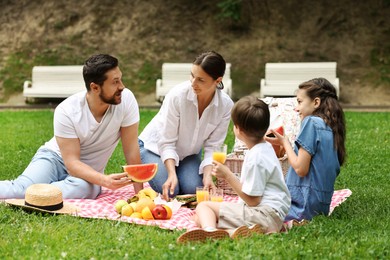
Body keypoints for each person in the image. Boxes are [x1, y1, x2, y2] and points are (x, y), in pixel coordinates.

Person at [0, 54, 143, 199]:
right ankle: (34, 193)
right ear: (95, 87)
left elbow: (131, 149)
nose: (122, 86)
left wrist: (141, 194)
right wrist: (105, 180)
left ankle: (37, 193)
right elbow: (72, 163)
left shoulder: (126, 100)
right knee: (19, 189)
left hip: (89, 174)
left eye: (121, 79)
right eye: (115, 82)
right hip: (54, 158)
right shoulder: (67, 111)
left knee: (84, 189)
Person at [177, 96, 291, 243]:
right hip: (275, 216)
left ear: (238, 130)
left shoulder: (256, 157)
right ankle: (236, 232)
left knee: (204, 207)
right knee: (205, 217)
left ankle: (210, 233)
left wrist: (228, 175)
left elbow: (253, 200)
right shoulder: (266, 148)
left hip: (262, 214)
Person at [139, 51, 234, 201]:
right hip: (155, 148)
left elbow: (213, 146)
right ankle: (167, 169)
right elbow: (167, 141)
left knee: (194, 189)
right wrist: (171, 174)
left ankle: (180, 172)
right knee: (172, 191)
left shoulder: (225, 105)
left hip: (188, 154)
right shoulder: (177, 96)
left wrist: (208, 176)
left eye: (201, 80)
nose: (193, 83)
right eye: (192, 75)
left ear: (217, 80)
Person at [266, 77, 346, 222]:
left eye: (300, 102)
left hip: (301, 206)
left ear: (316, 102)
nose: (296, 108)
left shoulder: (311, 122)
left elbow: (300, 169)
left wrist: (285, 142)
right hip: (320, 207)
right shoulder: (332, 128)